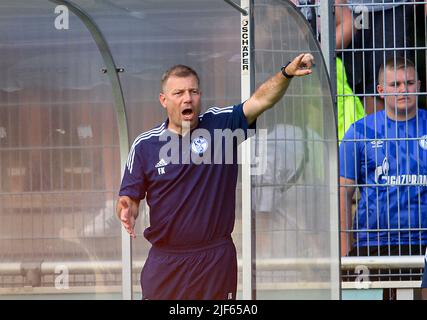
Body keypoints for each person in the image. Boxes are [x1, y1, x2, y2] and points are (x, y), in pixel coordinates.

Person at [116, 53, 314, 300]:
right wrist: (127, 208)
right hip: (166, 261)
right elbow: (129, 197)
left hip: (214, 259)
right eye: (178, 93)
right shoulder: (145, 146)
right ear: (163, 100)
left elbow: (261, 100)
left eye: (193, 91)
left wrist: (285, 74)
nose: (187, 98)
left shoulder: (221, 126)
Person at [339, 57, 427, 285]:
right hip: (373, 241)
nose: (403, 90)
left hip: (423, 240)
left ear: (418, 86)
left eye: (408, 83)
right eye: (394, 85)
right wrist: (344, 251)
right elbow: (342, 193)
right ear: (380, 90)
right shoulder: (359, 131)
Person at [343, 0, 417, 114]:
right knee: (354, 79)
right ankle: (367, 129)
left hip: (390, 7)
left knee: (386, 76)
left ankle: (382, 130)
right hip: (351, 8)